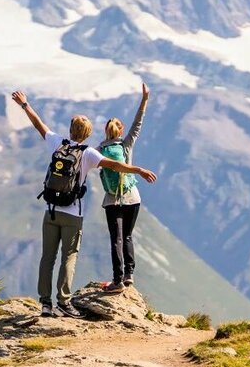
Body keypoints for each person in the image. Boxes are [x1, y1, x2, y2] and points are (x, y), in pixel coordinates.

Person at [11, 90, 157, 319]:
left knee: (47, 258)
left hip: (51, 211)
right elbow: (115, 165)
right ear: (88, 134)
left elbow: (39, 125)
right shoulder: (89, 153)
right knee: (69, 257)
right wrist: (138, 169)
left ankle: (45, 304)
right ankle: (64, 302)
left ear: (70, 130)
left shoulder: (57, 143)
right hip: (72, 214)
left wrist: (25, 104)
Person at [98, 83, 150, 294]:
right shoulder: (126, 144)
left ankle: (117, 280)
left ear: (106, 131)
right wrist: (144, 99)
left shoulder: (99, 151)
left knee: (116, 239)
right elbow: (137, 124)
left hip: (112, 200)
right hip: (132, 198)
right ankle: (129, 275)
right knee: (127, 236)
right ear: (120, 130)